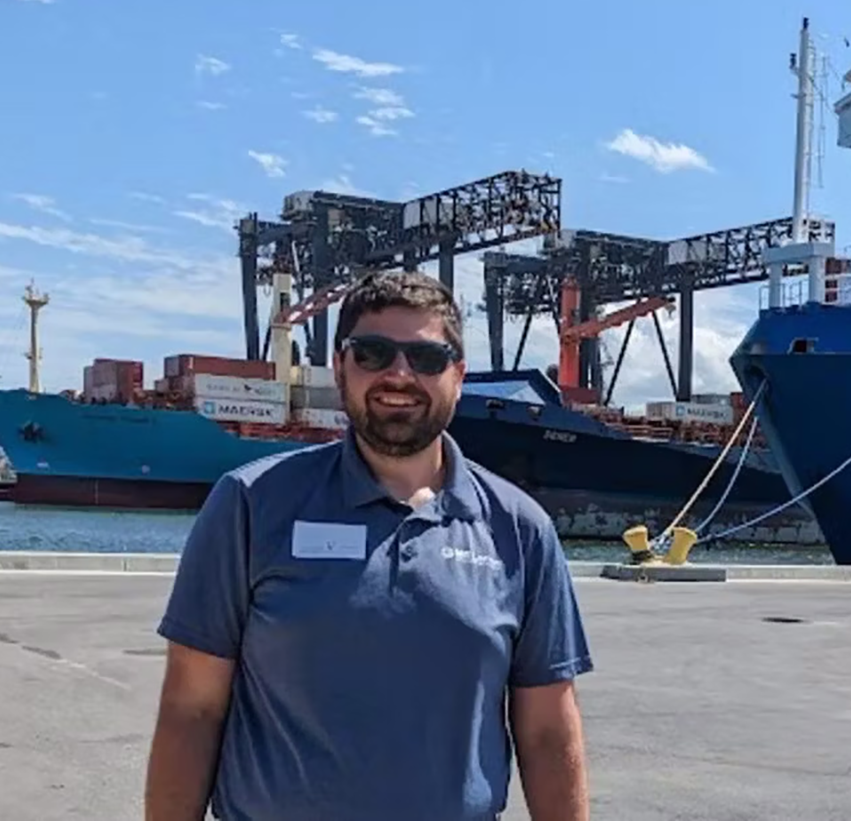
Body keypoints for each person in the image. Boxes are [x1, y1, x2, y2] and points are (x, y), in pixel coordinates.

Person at [144, 270, 593, 821]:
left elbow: (548, 728)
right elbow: (193, 708)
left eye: (426, 358)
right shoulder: (250, 504)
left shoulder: (521, 529)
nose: (399, 374)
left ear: (459, 374)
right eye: (373, 353)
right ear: (339, 366)